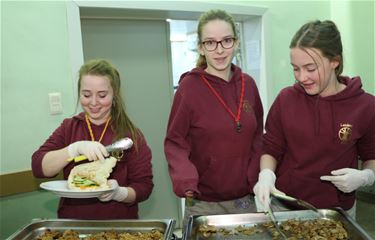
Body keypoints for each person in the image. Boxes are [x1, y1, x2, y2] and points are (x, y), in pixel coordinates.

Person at [253, 20, 375, 219]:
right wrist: (266, 175)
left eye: (310, 68)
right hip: (286, 206)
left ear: (335, 61)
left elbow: (371, 157)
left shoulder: (366, 106)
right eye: (295, 68)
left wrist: (366, 177)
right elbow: (271, 148)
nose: (301, 77)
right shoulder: (286, 99)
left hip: (337, 211)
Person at [164, 9, 263, 226]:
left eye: (226, 40)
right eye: (210, 42)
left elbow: (258, 136)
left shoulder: (249, 85)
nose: (219, 50)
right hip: (202, 201)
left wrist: (255, 175)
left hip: (244, 200)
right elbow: (175, 141)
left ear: (236, 43)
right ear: (200, 47)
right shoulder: (188, 88)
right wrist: (186, 181)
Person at [32, 59, 154, 219]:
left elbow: (144, 187)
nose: (94, 102)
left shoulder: (130, 135)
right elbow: (39, 167)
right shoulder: (69, 127)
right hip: (73, 226)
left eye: (102, 95)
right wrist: (73, 149)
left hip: (118, 227)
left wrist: (119, 193)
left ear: (114, 94)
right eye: (86, 95)